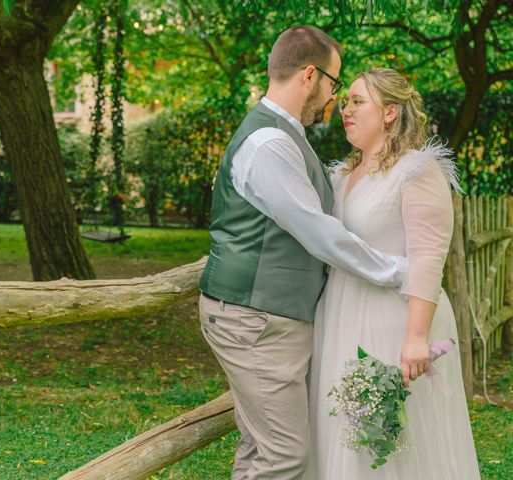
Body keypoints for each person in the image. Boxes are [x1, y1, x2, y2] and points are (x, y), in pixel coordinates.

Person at [198, 27, 409, 479]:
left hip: (265, 317)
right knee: (285, 455)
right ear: (309, 75)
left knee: (261, 450)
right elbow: (319, 233)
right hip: (254, 319)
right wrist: (395, 270)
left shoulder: (284, 134)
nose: (335, 99)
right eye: (334, 85)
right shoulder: (270, 143)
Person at [306, 68, 480, 479]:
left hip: (394, 322)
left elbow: (428, 258)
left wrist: (417, 337)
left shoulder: (416, 171)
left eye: (357, 101)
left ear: (390, 112)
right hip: (340, 317)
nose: (344, 109)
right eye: (345, 101)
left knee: (392, 441)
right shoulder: (341, 175)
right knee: (345, 434)